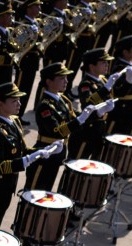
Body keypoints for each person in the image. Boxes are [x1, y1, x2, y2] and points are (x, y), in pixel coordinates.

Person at [0, 82, 48, 230]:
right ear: (1, 104)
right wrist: (26, 160)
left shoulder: (14, 121)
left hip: (7, 187)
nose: (19, 103)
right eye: (14, 101)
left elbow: (22, 150)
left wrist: (43, 150)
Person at [26, 61, 108, 190]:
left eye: (66, 77)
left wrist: (97, 112)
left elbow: (76, 118)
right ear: (49, 81)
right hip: (45, 152)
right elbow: (57, 131)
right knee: (34, 191)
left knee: (46, 190)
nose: (66, 81)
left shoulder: (64, 100)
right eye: (61, 78)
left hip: (59, 152)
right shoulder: (45, 106)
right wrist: (80, 120)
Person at [70, 48, 118, 159]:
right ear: (92, 66)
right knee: (77, 164)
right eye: (103, 63)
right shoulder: (85, 84)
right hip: (87, 131)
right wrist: (106, 89)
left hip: (100, 129)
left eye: (107, 62)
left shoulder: (103, 80)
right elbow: (88, 102)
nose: (107, 65)